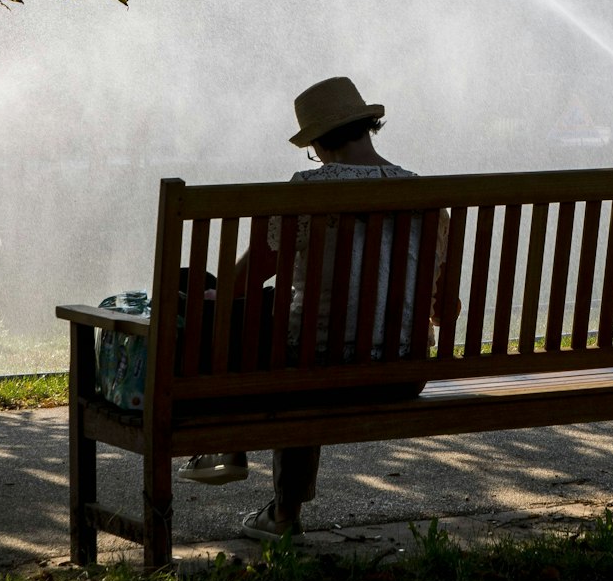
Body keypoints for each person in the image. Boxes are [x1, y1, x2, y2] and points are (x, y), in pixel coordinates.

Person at [182, 76, 432, 539]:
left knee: (258, 323)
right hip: (404, 372)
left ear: (317, 143)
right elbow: (442, 304)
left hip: (315, 371)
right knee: (290, 328)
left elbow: (247, 276)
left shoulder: (308, 191)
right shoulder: (423, 195)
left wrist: (217, 296)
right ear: (366, 126)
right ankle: (250, 474)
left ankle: (254, 476)